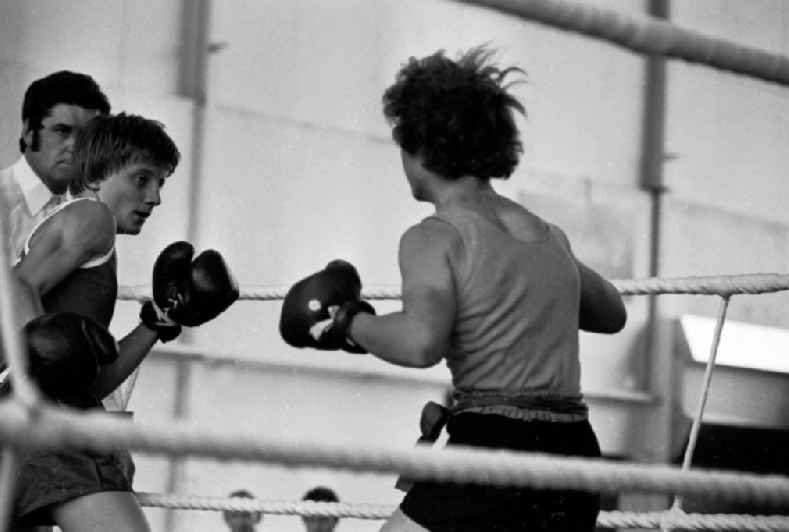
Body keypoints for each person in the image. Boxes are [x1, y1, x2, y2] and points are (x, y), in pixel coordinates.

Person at [279, 46, 627, 532]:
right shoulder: (549, 236)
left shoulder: (435, 237)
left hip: (494, 449)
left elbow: (422, 342)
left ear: (419, 147)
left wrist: (348, 323)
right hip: (575, 456)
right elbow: (612, 313)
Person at [6, 112, 239, 532]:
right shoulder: (93, 218)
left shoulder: (85, 240)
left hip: (37, 420)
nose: (155, 197)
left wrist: (158, 320)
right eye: (141, 179)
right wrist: (41, 382)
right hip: (48, 422)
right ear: (96, 177)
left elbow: (89, 380)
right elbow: (16, 286)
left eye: (161, 183)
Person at [0, 70, 110, 262]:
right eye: (62, 131)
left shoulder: (84, 209)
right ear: (28, 132)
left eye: (86, 137)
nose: (76, 146)